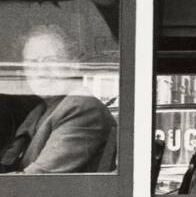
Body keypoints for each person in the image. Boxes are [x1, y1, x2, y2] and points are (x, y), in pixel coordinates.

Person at [0, 24, 116, 173]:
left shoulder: (81, 107)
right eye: (32, 63)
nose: (41, 71)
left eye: (51, 60)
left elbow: (37, 180)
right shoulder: (39, 111)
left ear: (73, 65)